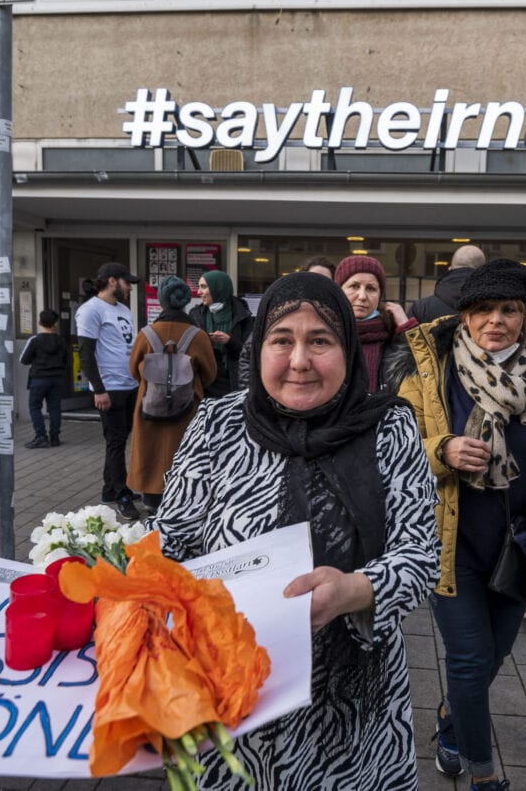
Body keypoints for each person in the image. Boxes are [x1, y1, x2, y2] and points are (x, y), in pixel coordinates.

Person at [150, 272, 439, 790]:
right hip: (228, 690)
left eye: (320, 341)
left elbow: (420, 554)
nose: (300, 360)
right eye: (282, 340)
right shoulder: (217, 422)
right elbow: (174, 535)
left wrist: (355, 589)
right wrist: (110, 560)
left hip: (352, 706)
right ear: (259, 347)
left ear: (347, 350)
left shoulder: (390, 426)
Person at [391, 259, 526, 791]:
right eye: (482, 309)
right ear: (464, 315)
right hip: (452, 538)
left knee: (495, 653)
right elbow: (391, 452)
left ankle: (451, 722)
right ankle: (483, 775)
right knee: (468, 657)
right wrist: (441, 449)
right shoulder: (431, 372)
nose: (495, 320)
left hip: (523, 543)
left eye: (509, 310)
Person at [127, 276, 217, 515]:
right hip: (188, 410)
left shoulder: (146, 334)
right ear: (185, 301)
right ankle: (183, 502)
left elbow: (133, 371)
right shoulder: (197, 335)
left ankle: (151, 501)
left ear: (162, 301)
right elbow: (210, 374)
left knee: (151, 455)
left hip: (150, 408)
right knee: (184, 455)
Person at [76, 262, 141, 521]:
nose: (130, 288)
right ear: (113, 281)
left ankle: (109, 489)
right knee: (115, 441)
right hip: (109, 388)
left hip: (130, 384)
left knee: (120, 438)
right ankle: (121, 494)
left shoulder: (123, 309)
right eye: (128, 283)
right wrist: (99, 389)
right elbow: (86, 353)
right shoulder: (90, 310)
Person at [238, 258, 335, 389]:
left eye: (320, 342)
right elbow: (248, 356)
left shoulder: (337, 320)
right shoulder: (278, 312)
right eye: (282, 341)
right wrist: (249, 392)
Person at [334, 254, 417, 393]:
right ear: (339, 290)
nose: (362, 296)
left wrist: (407, 329)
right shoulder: (323, 333)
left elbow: (426, 371)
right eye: (354, 286)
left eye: (371, 288)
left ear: (380, 295)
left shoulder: (394, 335)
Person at [191, 269, 253, 398]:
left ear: (218, 288)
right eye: (199, 287)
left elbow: (250, 354)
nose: (198, 292)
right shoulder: (196, 315)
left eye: (203, 287)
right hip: (206, 382)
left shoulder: (243, 315)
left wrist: (229, 341)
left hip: (234, 382)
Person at [19, 308, 71, 448]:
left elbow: (24, 360)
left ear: (39, 322)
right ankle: (55, 437)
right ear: (56, 324)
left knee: (35, 407)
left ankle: (41, 436)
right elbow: (67, 360)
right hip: (57, 379)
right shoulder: (61, 341)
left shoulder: (35, 340)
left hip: (39, 379)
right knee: (54, 408)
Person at [408, 244, 486, 323]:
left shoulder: (421, 308)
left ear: (449, 269)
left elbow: (406, 334)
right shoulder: (493, 308)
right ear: (483, 272)